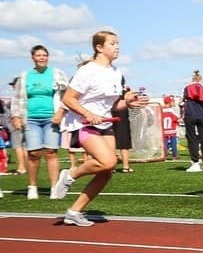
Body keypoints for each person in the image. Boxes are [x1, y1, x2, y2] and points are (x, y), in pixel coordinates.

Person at [51, 31, 149, 226]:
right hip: (84, 124)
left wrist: (128, 103)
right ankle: (70, 174)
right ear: (99, 47)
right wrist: (87, 114)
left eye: (118, 43)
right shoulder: (87, 71)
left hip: (105, 123)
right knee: (108, 161)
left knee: (107, 170)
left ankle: (74, 211)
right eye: (112, 44)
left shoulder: (116, 73)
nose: (117, 47)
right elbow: (68, 99)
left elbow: (113, 105)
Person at [10, 45, 69, 199]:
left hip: (52, 118)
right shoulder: (25, 76)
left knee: (51, 152)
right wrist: (15, 116)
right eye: (39, 55)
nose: (42, 58)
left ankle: (54, 188)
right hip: (30, 118)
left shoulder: (57, 74)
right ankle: (32, 187)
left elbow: (67, 95)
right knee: (33, 153)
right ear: (33, 58)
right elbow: (16, 98)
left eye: (45, 55)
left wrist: (61, 112)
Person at [182, 70, 203, 172]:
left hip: (190, 114)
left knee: (192, 139)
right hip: (201, 115)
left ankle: (195, 162)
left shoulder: (187, 87)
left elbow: (184, 100)